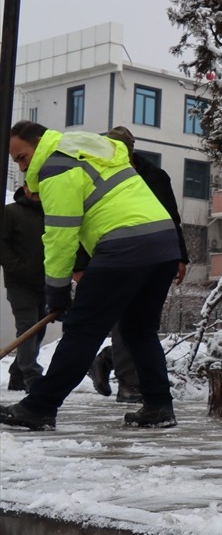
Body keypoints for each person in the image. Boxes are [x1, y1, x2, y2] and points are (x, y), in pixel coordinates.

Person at [0, 122, 181, 430]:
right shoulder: (89, 151)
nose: (22, 165)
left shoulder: (57, 169)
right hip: (163, 243)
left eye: (23, 156)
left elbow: (61, 236)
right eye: (16, 160)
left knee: (83, 330)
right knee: (139, 330)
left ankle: (39, 407)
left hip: (124, 245)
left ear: (41, 143)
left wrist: (55, 289)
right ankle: (159, 406)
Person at [85, 126, 190, 404]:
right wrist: (80, 263)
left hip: (155, 254)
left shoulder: (154, 176)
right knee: (124, 319)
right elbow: (82, 219)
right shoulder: (95, 175)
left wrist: (179, 255)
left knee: (141, 323)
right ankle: (130, 384)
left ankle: (108, 360)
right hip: (114, 254)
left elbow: (170, 217)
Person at [1, 162, 47, 393]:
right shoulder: (11, 212)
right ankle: (32, 378)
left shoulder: (52, 212)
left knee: (38, 331)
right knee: (28, 327)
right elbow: (2, 244)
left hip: (47, 282)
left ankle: (17, 374)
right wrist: (16, 267)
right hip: (19, 282)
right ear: (26, 186)